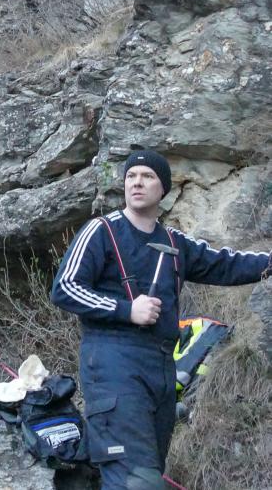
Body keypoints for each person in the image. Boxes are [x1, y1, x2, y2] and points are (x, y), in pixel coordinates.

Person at [50, 150, 270, 489]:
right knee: (137, 481)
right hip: (113, 366)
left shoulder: (174, 242)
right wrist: (126, 309)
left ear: (163, 188)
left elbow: (227, 264)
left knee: (148, 471)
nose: (137, 182)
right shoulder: (102, 231)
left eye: (147, 176)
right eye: (131, 176)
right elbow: (65, 288)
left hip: (162, 369)